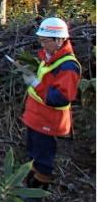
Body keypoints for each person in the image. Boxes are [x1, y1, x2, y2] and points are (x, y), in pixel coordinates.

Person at [20, 17, 81, 191]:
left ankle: (37, 195)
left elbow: (60, 98)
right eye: (41, 40)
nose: (42, 45)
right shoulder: (50, 57)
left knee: (43, 160)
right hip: (37, 117)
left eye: (46, 41)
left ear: (59, 40)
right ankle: (29, 188)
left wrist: (35, 84)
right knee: (33, 154)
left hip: (49, 120)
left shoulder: (67, 66)